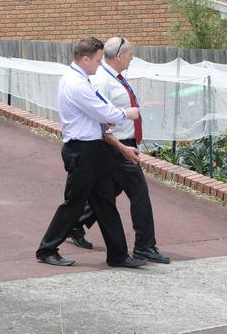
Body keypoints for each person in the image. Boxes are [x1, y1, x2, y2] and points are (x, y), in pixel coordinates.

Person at [35, 37, 146, 268]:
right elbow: (103, 111)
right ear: (85, 59)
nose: (99, 64)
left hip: (92, 150)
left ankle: (118, 255)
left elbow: (96, 111)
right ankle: (47, 249)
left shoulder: (81, 79)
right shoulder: (76, 84)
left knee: (105, 202)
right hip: (82, 151)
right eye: (97, 60)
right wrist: (126, 114)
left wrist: (107, 120)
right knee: (74, 203)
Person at [67, 37, 170, 264]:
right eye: (130, 53)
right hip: (116, 146)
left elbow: (116, 109)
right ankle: (145, 246)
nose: (133, 56)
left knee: (108, 192)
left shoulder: (116, 77)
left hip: (123, 144)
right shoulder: (102, 80)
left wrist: (139, 110)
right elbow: (100, 119)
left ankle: (75, 223)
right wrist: (122, 147)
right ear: (120, 56)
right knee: (139, 193)